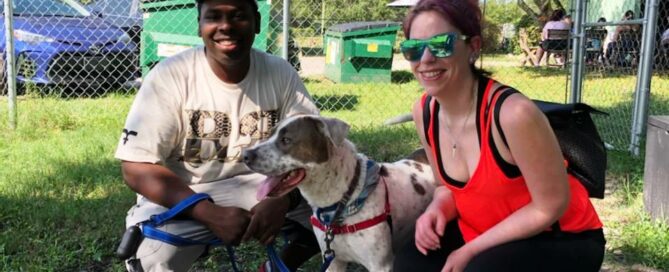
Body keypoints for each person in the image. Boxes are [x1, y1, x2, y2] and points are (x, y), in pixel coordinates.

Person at [393, 0, 605, 271]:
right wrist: (436, 209)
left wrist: (470, 250)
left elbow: (549, 207)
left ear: (473, 47)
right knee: (410, 263)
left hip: (560, 236)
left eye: (440, 44)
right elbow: (448, 188)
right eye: (413, 49)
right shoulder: (424, 112)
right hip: (484, 227)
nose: (425, 60)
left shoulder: (513, 114)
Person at [114, 0, 321, 271]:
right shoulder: (170, 76)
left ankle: (276, 267)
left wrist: (284, 199)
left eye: (238, 16)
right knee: (152, 258)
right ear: (199, 25)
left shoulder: (280, 72)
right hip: (190, 192)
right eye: (214, 16)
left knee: (341, 206)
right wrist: (207, 213)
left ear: (257, 23)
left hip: (265, 187)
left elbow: (315, 149)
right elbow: (135, 167)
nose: (226, 26)